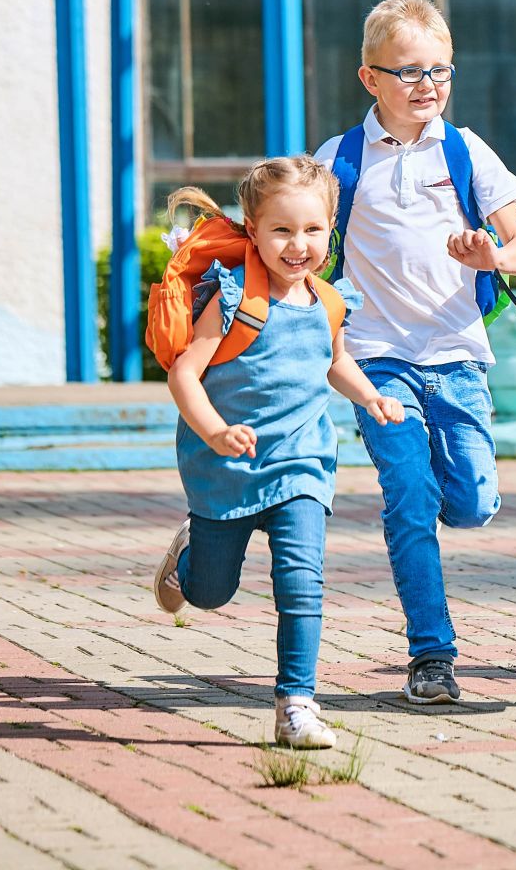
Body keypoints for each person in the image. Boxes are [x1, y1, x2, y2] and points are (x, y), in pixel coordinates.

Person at [310, 0, 516, 706]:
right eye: (407, 71)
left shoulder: (466, 150)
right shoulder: (339, 160)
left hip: (458, 357)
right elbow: (305, 254)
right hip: (378, 357)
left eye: (439, 71)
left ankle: (454, 490)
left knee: (469, 505)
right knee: (409, 501)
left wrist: (492, 254)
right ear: (369, 78)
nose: (426, 86)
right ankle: (431, 657)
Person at [150, 158, 403, 748]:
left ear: (331, 230)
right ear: (253, 230)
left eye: (313, 230)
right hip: (225, 468)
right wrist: (214, 432)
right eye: (282, 231)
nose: (298, 245)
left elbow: (334, 361)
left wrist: (371, 398)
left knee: (302, 579)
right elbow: (185, 374)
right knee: (211, 593)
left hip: (302, 463)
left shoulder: (329, 301)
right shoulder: (234, 295)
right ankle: (189, 557)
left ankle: (296, 702)